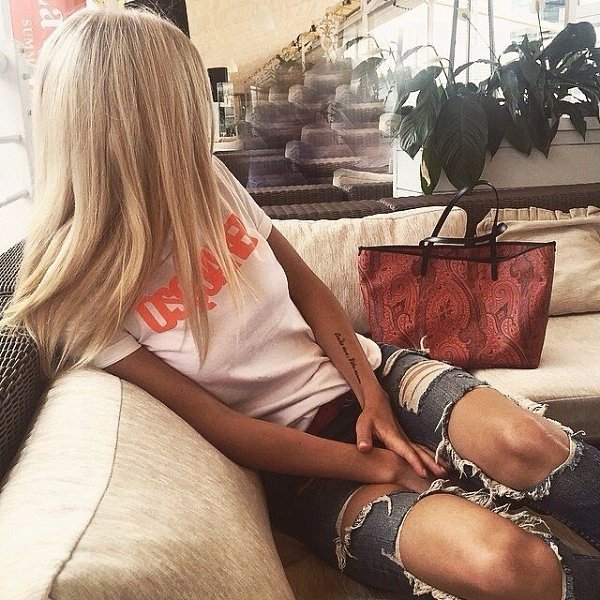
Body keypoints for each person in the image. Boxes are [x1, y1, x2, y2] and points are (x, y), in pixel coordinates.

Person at [2, 7, 599, 600]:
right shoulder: (72, 298)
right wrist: (379, 465)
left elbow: (309, 290)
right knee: (505, 564)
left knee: (527, 444)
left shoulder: (209, 182)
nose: (197, 121)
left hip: (371, 374)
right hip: (305, 469)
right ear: (134, 120)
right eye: (182, 104)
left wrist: (373, 399)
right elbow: (223, 427)